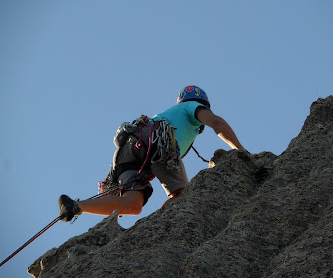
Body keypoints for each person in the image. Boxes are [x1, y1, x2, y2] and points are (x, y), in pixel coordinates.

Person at [58, 85, 245, 222]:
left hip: (130, 148)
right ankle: (158, 226)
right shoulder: (192, 107)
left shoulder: (172, 112)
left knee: (133, 205)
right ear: (202, 103)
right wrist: (241, 151)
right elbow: (217, 123)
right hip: (159, 140)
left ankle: (77, 206)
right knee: (184, 195)